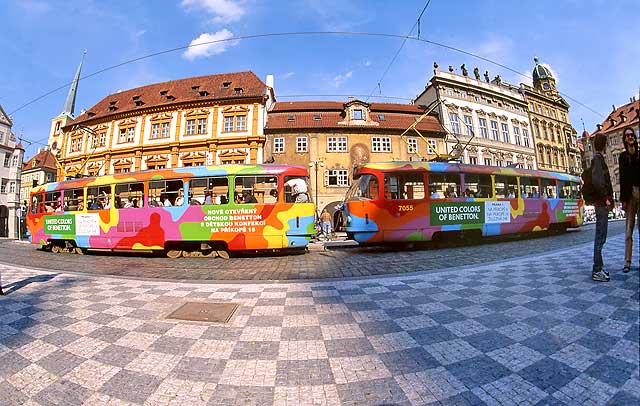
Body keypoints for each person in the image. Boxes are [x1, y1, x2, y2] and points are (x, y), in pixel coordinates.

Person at [591, 132, 614, 282]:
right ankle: (597, 270)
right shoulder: (597, 160)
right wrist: (606, 198)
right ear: (604, 145)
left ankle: (599, 267)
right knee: (600, 236)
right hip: (601, 203)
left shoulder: (597, 159)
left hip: (600, 203)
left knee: (601, 236)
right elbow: (599, 182)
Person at [618, 126, 640, 273]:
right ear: (625, 139)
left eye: (632, 135)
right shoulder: (623, 157)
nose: (630, 137)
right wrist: (623, 200)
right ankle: (627, 262)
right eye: (627, 136)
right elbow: (622, 178)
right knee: (628, 231)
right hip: (629, 194)